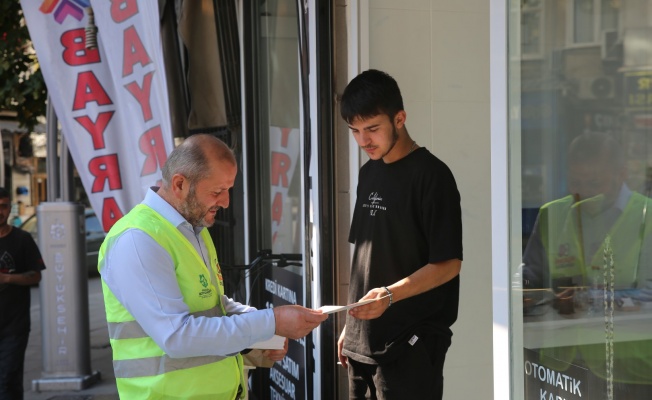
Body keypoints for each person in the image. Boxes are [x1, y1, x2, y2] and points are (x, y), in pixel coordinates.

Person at [98, 134, 327, 399]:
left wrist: (266, 333)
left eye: (228, 189)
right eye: (217, 191)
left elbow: (214, 306)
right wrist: (270, 322)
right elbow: (176, 336)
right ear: (180, 184)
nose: (226, 202)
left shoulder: (192, 228)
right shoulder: (138, 240)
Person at [336, 69, 463, 400]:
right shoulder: (367, 173)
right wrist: (352, 327)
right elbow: (365, 259)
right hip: (362, 345)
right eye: (355, 131)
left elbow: (449, 264)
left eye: (373, 129)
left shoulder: (433, 176)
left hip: (411, 343)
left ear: (400, 118)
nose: (364, 141)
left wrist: (389, 295)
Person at [520, 131, 652, 398]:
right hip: (562, 366)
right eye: (575, 182)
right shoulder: (552, 214)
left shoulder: (647, 216)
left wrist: (590, 297)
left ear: (621, 174)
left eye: (594, 183)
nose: (583, 192)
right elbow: (532, 276)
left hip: (630, 367)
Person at [0, 187, 45, 400]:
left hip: (14, 326)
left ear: (10, 208)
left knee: (8, 378)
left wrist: (8, 278)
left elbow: (36, 276)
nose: (0, 211)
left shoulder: (22, 239)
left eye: (3, 206)